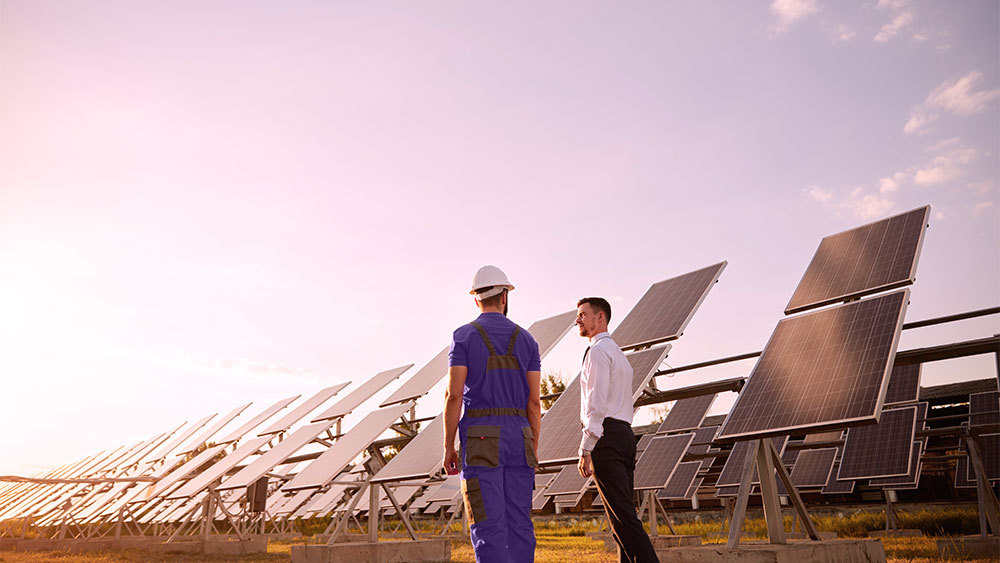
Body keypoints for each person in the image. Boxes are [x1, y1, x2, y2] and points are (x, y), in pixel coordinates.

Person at [443, 265, 543, 562]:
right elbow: (534, 402)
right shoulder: (527, 340)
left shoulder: (463, 336)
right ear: (504, 297)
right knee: (519, 523)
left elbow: (454, 395)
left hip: (480, 437)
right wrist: (533, 446)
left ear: (476, 299)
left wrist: (448, 446)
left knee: (487, 523)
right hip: (519, 437)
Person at [575, 297, 659, 563]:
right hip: (624, 435)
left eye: (583, 314)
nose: (577, 319)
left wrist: (586, 447)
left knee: (623, 520)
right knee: (621, 520)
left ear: (600, 317)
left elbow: (596, 402)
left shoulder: (597, 352)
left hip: (606, 437)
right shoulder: (620, 356)